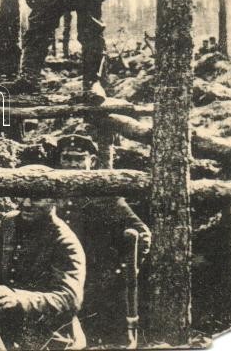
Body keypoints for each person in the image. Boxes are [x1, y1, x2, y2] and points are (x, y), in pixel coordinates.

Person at [53, 134, 151, 346]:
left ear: (93, 161)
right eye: (67, 158)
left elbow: (141, 232)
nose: (72, 165)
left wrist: (122, 270)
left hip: (96, 280)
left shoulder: (104, 195)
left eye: (79, 159)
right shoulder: (52, 192)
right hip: (59, 276)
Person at [0, 196, 87, 350]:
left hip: (51, 335)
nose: (26, 203)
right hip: (10, 327)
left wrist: (19, 299)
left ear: (56, 200)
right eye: (22, 194)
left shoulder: (65, 240)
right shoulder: (9, 223)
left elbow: (69, 299)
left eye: (36, 198)